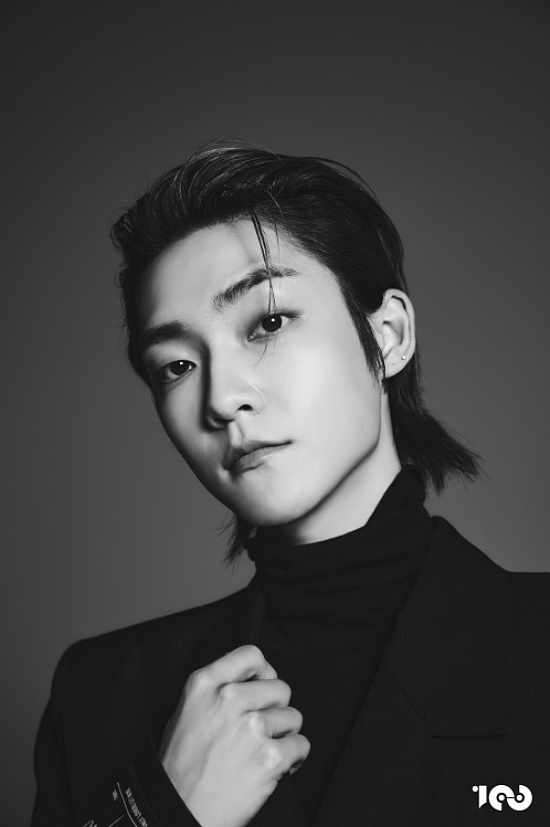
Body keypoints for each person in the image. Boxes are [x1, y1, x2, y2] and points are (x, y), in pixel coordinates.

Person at [32, 142, 550, 827]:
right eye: (177, 365)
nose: (222, 399)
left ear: (388, 335)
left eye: (268, 322)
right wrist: (159, 808)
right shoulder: (99, 693)